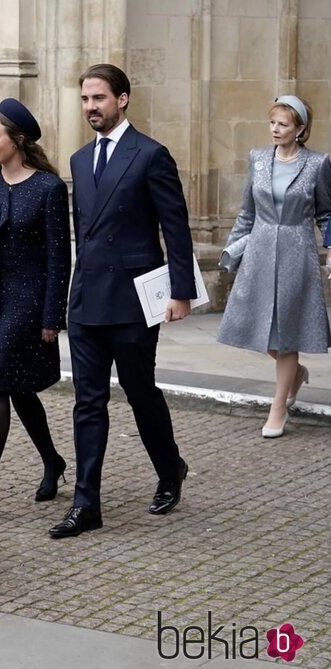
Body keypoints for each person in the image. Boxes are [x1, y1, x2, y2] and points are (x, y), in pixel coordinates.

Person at [51, 64, 196, 539]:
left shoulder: (150, 154)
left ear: (123, 99)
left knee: (140, 393)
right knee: (88, 402)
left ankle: (169, 467)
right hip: (88, 299)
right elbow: (82, 235)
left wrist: (180, 292)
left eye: (99, 98)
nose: (91, 107)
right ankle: (85, 503)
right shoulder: (77, 160)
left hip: (134, 301)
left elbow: (174, 226)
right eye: (85, 99)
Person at [0, 99, 71, 522]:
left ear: (16, 140)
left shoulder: (48, 189)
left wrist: (51, 318)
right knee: (18, 387)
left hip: (27, 302)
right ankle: (53, 461)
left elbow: (60, 259)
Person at [217, 96, 331, 438]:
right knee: (253, 325)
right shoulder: (258, 158)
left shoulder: (318, 163)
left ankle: (278, 407)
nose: (275, 130)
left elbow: (327, 213)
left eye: (283, 124)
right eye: (272, 123)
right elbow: (247, 212)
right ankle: (294, 374)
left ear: (300, 129)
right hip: (259, 251)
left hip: (298, 253)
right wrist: (231, 249)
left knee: (287, 334)